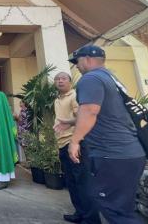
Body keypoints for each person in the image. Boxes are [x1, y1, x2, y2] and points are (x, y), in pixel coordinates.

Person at [68, 45, 146, 224]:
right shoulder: (112, 79)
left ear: (87, 59)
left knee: (116, 211)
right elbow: (107, 114)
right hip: (130, 152)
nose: (77, 66)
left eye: (77, 62)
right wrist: (71, 122)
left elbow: (89, 111)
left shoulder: (90, 79)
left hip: (112, 154)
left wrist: (75, 141)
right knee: (122, 209)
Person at [52, 72, 99, 224]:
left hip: (75, 144)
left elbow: (82, 117)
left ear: (70, 82)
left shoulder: (75, 96)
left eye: (63, 78)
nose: (60, 81)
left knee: (82, 182)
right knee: (71, 182)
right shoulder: (57, 99)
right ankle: (80, 213)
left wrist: (75, 140)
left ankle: (91, 219)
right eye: (57, 79)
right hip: (63, 144)